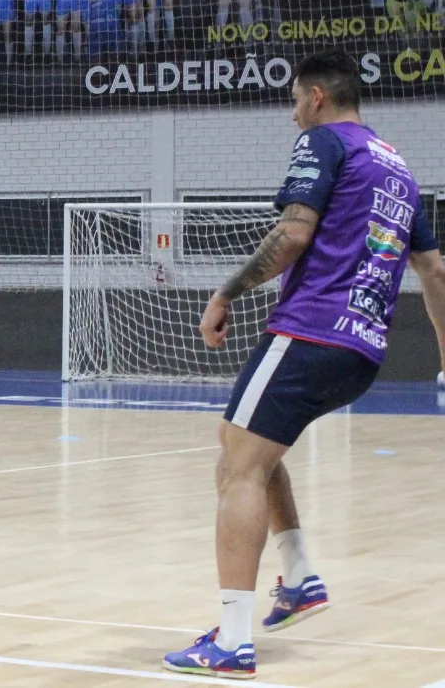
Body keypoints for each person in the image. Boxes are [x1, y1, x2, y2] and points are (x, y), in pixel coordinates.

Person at [161, 50, 445, 679]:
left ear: (317, 96)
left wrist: (225, 292)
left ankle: (233, 641)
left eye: (293, 99)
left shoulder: (323, 143)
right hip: (364, 350)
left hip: (313, 330)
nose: (291, 113)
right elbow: (436, 273)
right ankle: (301, 578)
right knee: (259, 457)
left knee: (237, 463)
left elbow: (292, 235)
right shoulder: (396, 168)